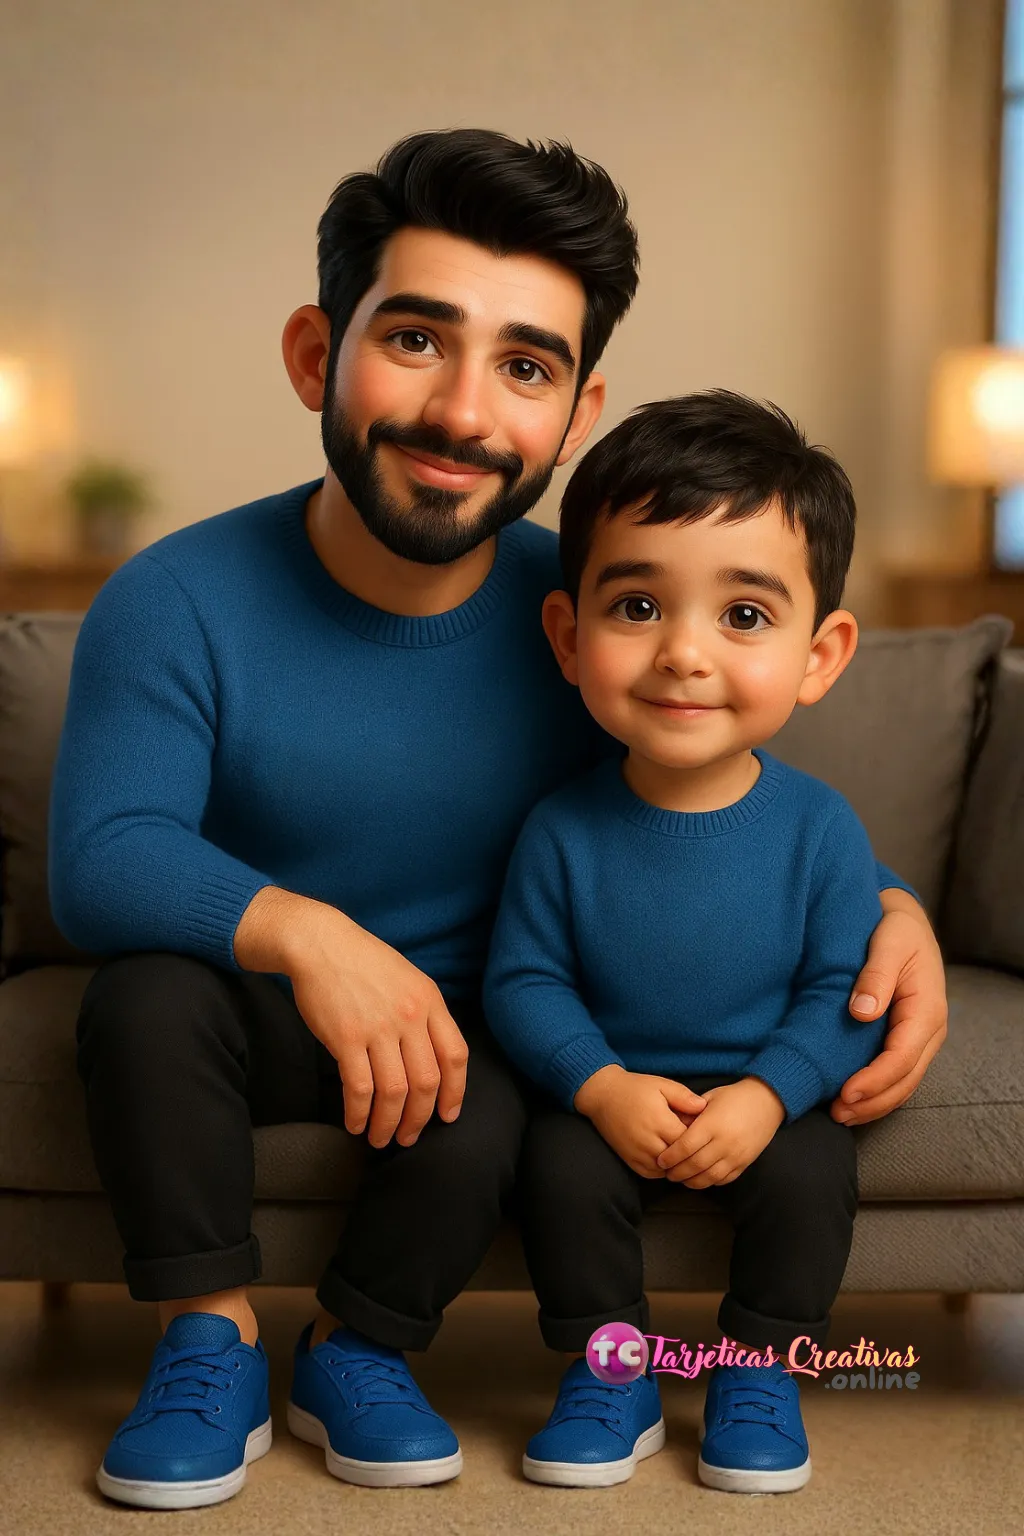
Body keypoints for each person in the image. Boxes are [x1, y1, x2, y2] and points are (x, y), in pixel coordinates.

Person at [48, 130, 946, 1512]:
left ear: (577, 414)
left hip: (476, 1053)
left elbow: (711, 786)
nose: (463, 411)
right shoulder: (173, 598)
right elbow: (103, 857)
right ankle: (206, 1346)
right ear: (316, 355)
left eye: (525, 367)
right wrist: (313, 938)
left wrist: (894, 909)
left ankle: (353, 1349)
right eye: (415, 339)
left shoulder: (596, 618)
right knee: (141, 1003)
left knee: (492, 1111)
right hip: (256, 1017)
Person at [483, 390, 898, 1495]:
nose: (682, 654)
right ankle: (608, 1373)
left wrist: (768, 1095)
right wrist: (599, 1084)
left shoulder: (821, 829)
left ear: (820, 655)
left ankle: (758, 1371)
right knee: (556, 1166)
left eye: (744, 616)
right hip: (615, 1090)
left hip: (767, 1094)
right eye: (636, 607)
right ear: (568, 636)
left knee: (814, 1172)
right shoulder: (560, 829)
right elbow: (523, 980)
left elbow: (843, 989)